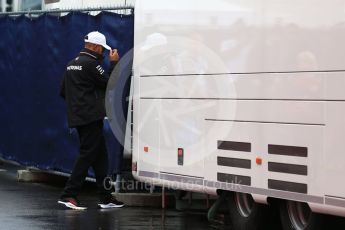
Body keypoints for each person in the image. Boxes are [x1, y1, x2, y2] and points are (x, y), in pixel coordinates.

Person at [58, 31, 124, 210]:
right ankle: (69, 194)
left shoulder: (71, 64)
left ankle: (106, 197)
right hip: (90, 117)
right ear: (95, 47)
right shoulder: (92, 64)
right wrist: (114, 63)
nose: (103, 53)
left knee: (100, 156)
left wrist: (79, 105)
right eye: (102, 49)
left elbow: (63, 91)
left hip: (78, 116)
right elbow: (111, 83)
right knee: (88, 154)